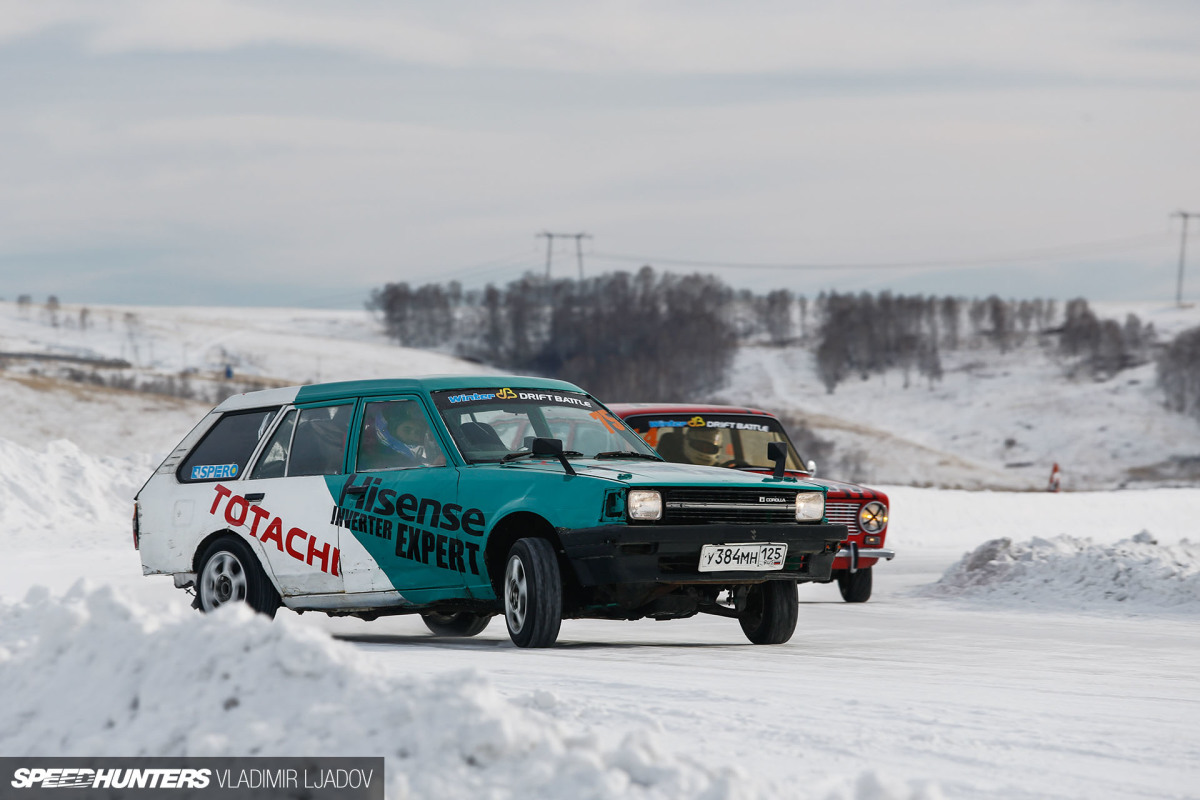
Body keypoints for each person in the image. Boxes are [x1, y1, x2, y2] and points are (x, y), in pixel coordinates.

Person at [359, 402, 445, 470]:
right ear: (410, 443)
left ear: (411, 420)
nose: (414, 432)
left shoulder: (439, 418)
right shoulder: (428, 456)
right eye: (408, 435)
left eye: (407, 428)